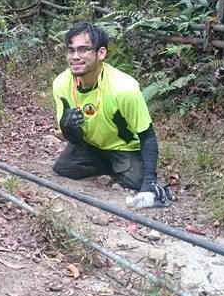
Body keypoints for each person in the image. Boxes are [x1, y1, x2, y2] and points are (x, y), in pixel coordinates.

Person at [52, 22, 173, 206]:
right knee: (63, 168)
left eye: (84, 50)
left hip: (123, 147)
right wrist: (67, 127)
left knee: (138, 181)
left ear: (101, 53)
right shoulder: (61, 84)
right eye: (71, 51)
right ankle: (110, 165)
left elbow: (147, 136)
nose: (75, 57)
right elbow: (73, 138)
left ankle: (125, 167)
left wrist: (150, 181)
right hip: (91, 144)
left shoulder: (124, 88)